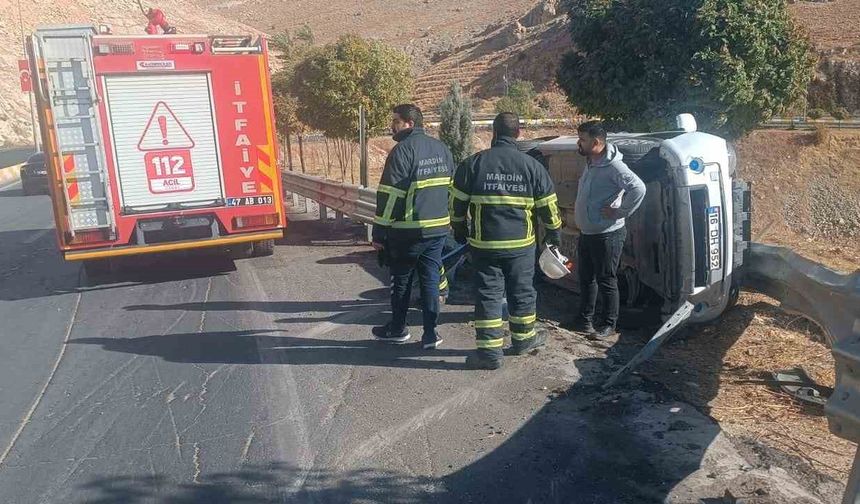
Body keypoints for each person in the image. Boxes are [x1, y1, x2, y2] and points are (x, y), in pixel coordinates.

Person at [451, 112, 563, 370]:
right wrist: (554, 236)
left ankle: (490, 354)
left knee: (488, 295)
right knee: (522, 292)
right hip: (521, 247)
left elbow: (456, 206)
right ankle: (523, 341)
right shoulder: (532, 167)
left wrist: (459, 230)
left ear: (493, 132)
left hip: (484, 245)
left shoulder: (472, 164)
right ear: (518, 133)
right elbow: (549, 208)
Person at [371, 104, 454, 349]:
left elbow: (389, 196)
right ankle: (430, 334)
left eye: (395, 121)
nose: (391, 125)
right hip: (438, 229)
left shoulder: (402, 151)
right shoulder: (441, 149)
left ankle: (397, 329)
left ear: (408, 123)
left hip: (408, 231)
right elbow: (450, 187)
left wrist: (379, 232)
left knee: (402, 281)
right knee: (430, 280)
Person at [571, 121, 646, 339]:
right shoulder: (591, 161)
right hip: (588, 232)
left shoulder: (615, 167)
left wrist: (620, 211)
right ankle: (584, 320)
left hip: (607, 234)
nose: (579, 142)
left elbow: (638, 188)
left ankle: (608, 325)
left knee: (606, 279)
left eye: (582, 139)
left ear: (596, 142)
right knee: (586, 278)